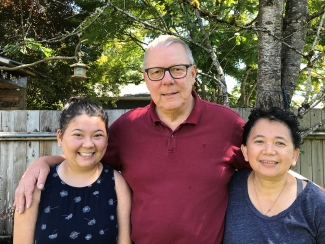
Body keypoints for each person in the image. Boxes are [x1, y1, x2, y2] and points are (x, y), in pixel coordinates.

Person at [13, 35, 309, 243]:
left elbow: (266, 161)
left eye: (177, 70)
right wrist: (44, 161)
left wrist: (310, 190)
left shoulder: (227, 124)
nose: (167, 80)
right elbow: (87, 158)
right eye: (156, 72)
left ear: (193, 73)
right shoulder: (127, 129)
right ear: (146, 79)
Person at [13, 97, 131, 244]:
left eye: (98, 135)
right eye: (78, 135)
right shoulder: (37, 184)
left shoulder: (117, 184)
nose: (88, 144)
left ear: (107, 139)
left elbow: (124, 241)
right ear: (60, 137)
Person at [223, 107, 325, 243]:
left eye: (280, 143)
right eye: (259, 141)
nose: (269, 151)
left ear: (295, 155)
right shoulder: (227, 188)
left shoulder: (317, 204)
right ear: (245, 151)